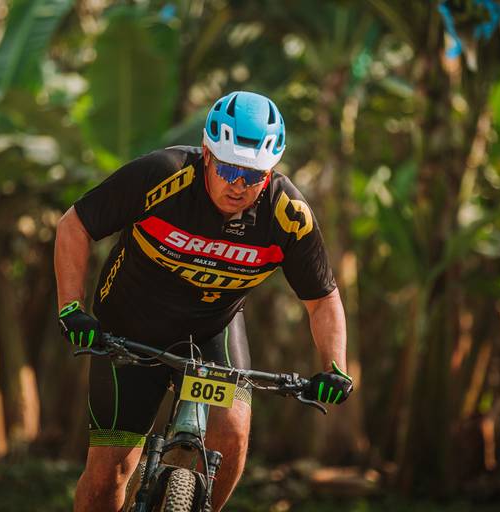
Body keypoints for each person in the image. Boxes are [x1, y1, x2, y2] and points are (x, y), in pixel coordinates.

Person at [54, 91, 353, 512]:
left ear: (270, 172)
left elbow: (322, 298)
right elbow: (75, 225)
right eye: (229, 168)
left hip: (212, 331)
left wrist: (334, 366)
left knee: (231, 434)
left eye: (253, 175)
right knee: (109, 475)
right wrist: (71, 307)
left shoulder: (288, 214)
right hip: (129, 328)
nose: (238, 185)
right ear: (207, 154)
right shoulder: (161, 175)